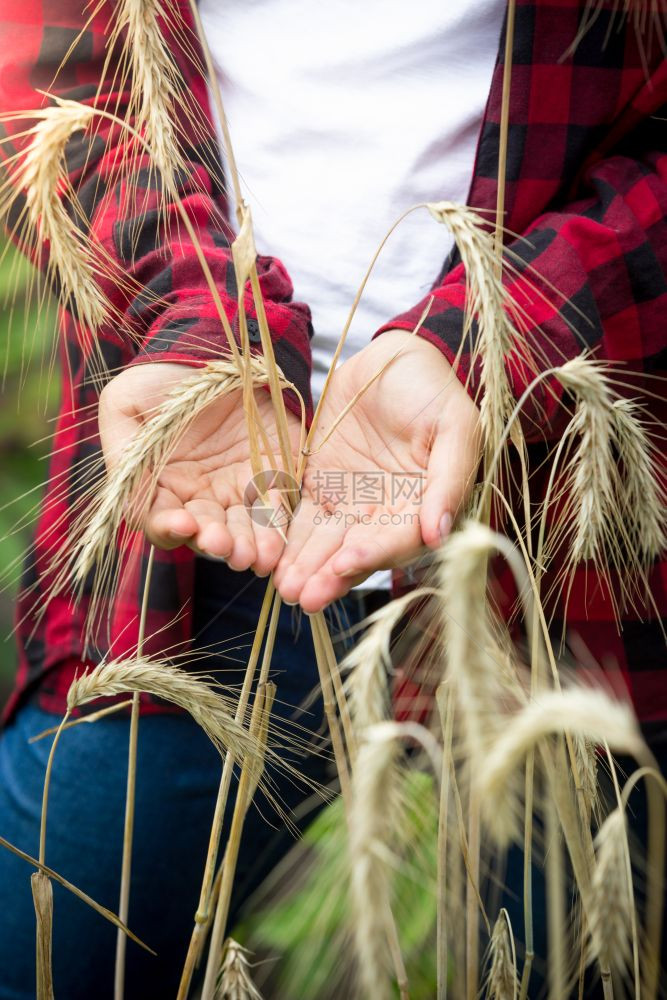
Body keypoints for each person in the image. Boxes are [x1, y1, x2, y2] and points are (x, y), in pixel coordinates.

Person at [0, 1, 664, 997]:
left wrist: (491, 336)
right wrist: (194, 322)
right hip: (207, 519)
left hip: (565, 534)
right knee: (53, 943)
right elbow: (57, 70)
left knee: (580, 960)